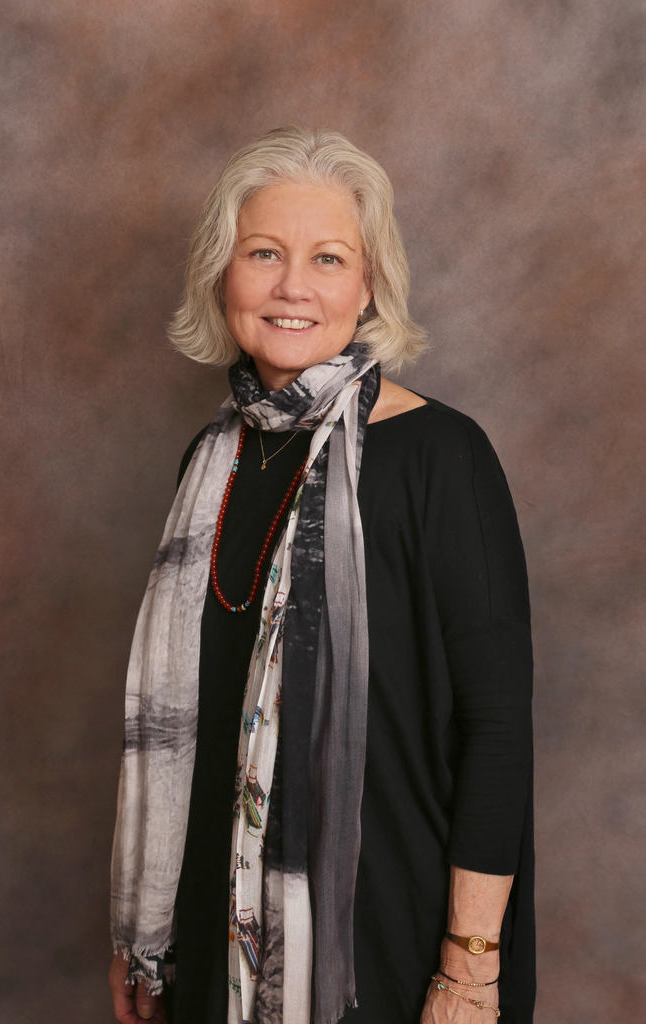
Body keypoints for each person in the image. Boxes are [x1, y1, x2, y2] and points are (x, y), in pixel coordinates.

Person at [109, 126, 535, 1024]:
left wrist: (468, 970)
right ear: (223, 274)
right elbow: (194, 735)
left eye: (328, 258)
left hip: (389, 947)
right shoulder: (208, 462)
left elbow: (495, 731)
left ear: (368, 284)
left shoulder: (441, 457)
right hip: (213, 945)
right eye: (264, 253)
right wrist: (149, 943)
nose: (292, 286)